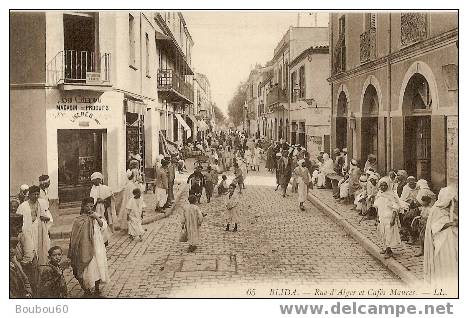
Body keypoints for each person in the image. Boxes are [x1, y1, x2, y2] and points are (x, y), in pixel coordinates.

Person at [69, 197, 109, 297]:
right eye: (87, 206)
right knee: (88, 267)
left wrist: (95, 217)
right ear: (83, 207)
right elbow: (75, 235)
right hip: (85, 246)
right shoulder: (79, 220)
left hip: (97, 246)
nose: (89, 208)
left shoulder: (96, 217)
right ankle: (86, 289)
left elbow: (103, 226)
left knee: (98, 265)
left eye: (91, 206)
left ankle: (97, 288)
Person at [424, 185, 458, 289]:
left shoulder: (449, 209)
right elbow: (435, 227)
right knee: (444, 260)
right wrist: (452, 224)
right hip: (442, 242)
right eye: (452, 199)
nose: (454, 202)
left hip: (451, 240)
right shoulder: (436, 210)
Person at [16, 185, 53, 270]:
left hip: (39, 230)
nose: (36, 196)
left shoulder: (42, 203)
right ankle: (25, 270)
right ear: (29, 194)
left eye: (37, 194)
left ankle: (39, 270)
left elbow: (49, 217)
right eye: (34, 194)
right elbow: (18, 220)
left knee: (41, 250)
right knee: (29, 251)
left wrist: (45, 218)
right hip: (27, 231)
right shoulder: (23, 206)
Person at [374, 178, 402, 259]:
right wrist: (377, 217)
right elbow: (378, 207)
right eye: (381, 185)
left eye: (385, 185)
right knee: (383, 232)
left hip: (389, 217)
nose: (383, 187)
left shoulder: (391, 195)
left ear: (388, 186)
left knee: (389, 233)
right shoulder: (379, 194)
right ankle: (386, 247)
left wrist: (393, 218)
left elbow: (395, 208)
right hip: (381, 216)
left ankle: (389, 250)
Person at [10, 213, 33, 298]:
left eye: (18, 226)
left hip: (26, 263)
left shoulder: (24, 234)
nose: (16, 228)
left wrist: (23, 263)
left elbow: (29, 252)